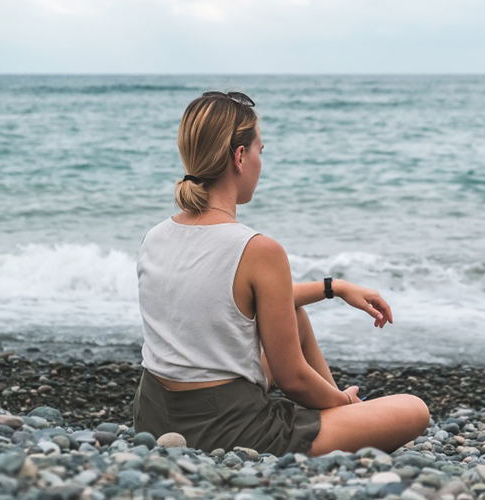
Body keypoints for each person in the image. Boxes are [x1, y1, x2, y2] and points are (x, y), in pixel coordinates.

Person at [133, 90, 430, 457]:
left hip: (153, 420)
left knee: (292, 313)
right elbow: (293, 380)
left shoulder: (154, 236)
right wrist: (343, 403)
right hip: (228, 430)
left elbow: (227, 297)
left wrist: (332, 287)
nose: (261, 161)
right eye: (261, 150)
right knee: (414, 409)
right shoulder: (258, 249)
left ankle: (338, 412)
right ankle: (343, 411)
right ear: (240, 157)